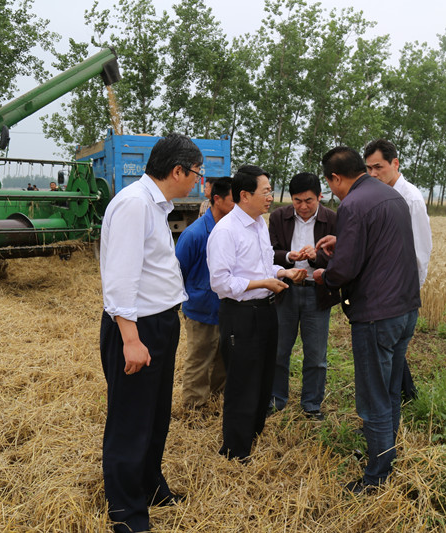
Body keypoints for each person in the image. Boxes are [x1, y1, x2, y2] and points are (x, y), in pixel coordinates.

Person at [99, 133, 203, 533]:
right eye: (195, 172)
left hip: (159, 322)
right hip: (137, 327)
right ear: (177, 171)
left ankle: (149, 485)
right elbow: (120, 278)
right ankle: (126, 512)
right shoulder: (135, 204)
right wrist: (131, 339)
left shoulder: (155, 205)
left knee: (155, 416)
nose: (197, 180)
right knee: (130, 421)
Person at [312, 146, 420, 494]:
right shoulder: (391, 195)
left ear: (335, 178)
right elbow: (379, 247)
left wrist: (324, 275)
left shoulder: (353, 204)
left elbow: (344, 269)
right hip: (405, 309)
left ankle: (376, 477)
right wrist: (343, 242)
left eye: (330, 185)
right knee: (389, 390)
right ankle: (388, 453)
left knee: (373, 398)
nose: (333, 192)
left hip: (376, 315)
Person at [207, 165, 306, 461]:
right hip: (240, 314)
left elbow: (261, 267)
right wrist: (263, 283)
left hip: (266, 309)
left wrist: (283, 272)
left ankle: (253, 434)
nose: (270, 197)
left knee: (263, 376)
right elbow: (221, 283)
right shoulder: (226, 231)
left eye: (271, 191)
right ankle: (235, 451)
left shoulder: (260, 224)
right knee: (242, 381)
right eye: (265, 192)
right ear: (245, 195)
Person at [363, 139, 433, 401]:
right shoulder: (377, 194)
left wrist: (411, 291)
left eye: (378, 167)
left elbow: (421, 251)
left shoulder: (410, 198)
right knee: (389, 358)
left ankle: (391, 408)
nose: (373, 174)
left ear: (395, 164)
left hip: (401, 295)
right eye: (368, 168)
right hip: (382, 293)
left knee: (390, 357)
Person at [268, 172, 338, 420]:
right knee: (279, 350)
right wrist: (289, 257)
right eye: (297, 201)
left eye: (309, 200)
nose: (303, 206)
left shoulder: (332, 219)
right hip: (285, 289)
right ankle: (276, 400)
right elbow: (269, 252)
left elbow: (341, 257)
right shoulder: (278, 217)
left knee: (316, 355)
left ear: (320, 196)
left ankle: (311, 404)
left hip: (317, 292)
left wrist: (317, 257)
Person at [175, 177, 235, 411]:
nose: (238, 205)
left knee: (223, 357)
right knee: (199, 359)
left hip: (226, 306)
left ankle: (217, 398)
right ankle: (194, 407)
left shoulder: (232, 230)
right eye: (234, 200)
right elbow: (178, 272)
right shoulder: (195, 234)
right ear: (217, 199)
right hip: (201, 308)